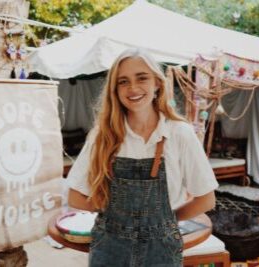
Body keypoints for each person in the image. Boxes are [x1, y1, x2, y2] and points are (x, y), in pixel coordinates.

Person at [67, 48, 218, 267]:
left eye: (142, 78)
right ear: (115, 90)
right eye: (123, 81)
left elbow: (206, 199)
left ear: (157, 83)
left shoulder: (179, 133)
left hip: (161, 251)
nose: (133, 88)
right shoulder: (103, 136)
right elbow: (75, 197)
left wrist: (165, 223)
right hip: (110, 248)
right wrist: (115, 217)